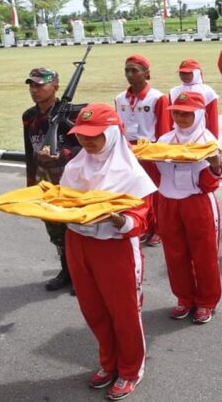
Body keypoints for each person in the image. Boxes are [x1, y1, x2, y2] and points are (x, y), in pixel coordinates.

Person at [61, 104, 157, 401]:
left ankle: (130, 369)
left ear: (113, 134)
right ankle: (108, 362)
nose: (87, 141)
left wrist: (116, 218)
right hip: (78, 243)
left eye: (95, 135)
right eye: (82, 135)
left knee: (124, 313)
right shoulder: (75, 166)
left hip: (114, 248)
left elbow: (141, 219)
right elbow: (62, 201)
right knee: (93, 309)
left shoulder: (131, 173)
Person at [146, 91, 222, 324]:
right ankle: (184, 298)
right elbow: (155, 174)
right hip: (168, 202)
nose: (180, 118)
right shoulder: (164, 141)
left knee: (204, 255)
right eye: (177, 113)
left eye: (186, 114)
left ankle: (206, 301)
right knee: (174, 254)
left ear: (199, 114)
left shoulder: (207, 141)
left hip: (197, 202)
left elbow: (210, 184)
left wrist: (215, 166)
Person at [22, 67, 82, 293]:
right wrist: (30, 181)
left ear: (55, 87)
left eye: (39, 85)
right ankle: (66, 270)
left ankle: (81, 273)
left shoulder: (71, 114)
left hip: (70, 181)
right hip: (45, 182)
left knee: (75, 229)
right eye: (31, 85)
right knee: (55, 230)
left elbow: (83, 145)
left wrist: (63, 153)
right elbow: (30, 149)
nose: (34, 90)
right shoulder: (29, 116)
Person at [115, 54, 171, 247]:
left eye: (134, 71)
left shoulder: (157, 97)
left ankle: (159, 229)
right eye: (126, 70)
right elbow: (119, 127)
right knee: (135, 191)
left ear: (146, 74)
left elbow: (164, 129)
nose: (130, 75)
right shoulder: (120, 98)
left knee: (154, 192)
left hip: (151, 151)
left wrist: (160, 154)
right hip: (129, 151)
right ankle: (143, 225)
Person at [169, 59, 220, 137]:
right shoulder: (173, 91)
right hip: (177, 135)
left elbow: (212, 119)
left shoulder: (207, 92)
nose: (184, 76)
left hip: (200, 135)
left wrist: (214, 140)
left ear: (196, 73)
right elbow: (170, 118)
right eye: (182, 73)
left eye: (188, 73)